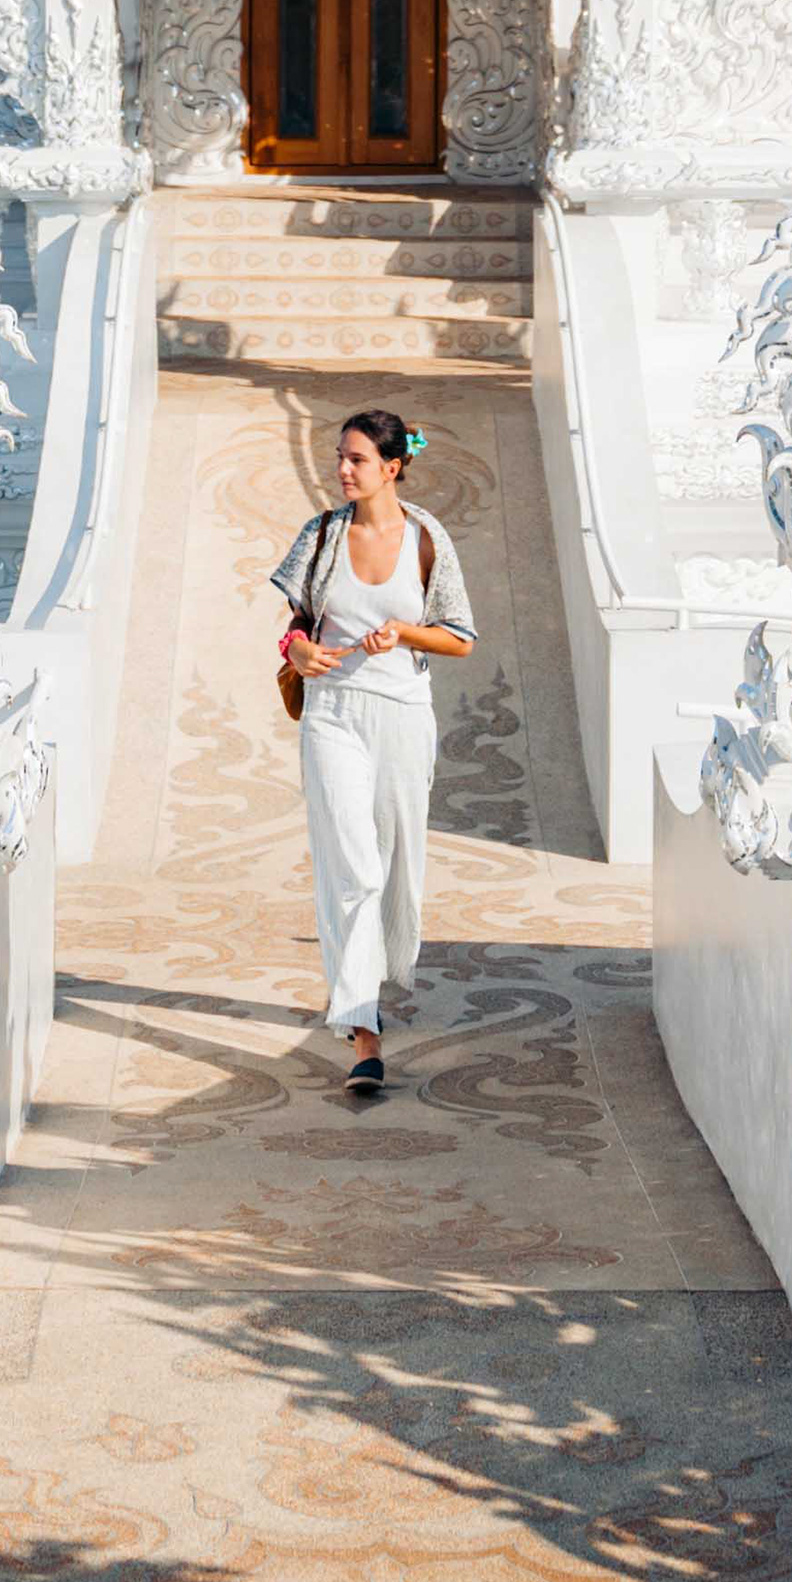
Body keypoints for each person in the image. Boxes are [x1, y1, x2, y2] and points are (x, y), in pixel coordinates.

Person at [269, 406, 476, 1104]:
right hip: (331, 715)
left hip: (402, 716)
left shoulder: (427, 538)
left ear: (392, 468)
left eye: (357, 459)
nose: (342, 469)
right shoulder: (321, 534)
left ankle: (372, 979)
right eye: (339, 456)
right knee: (350, 865)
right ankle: (362, 1029)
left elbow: (460, 637)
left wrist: (406, 634)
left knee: (394, 867)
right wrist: (296, 649)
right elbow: (296, 624)